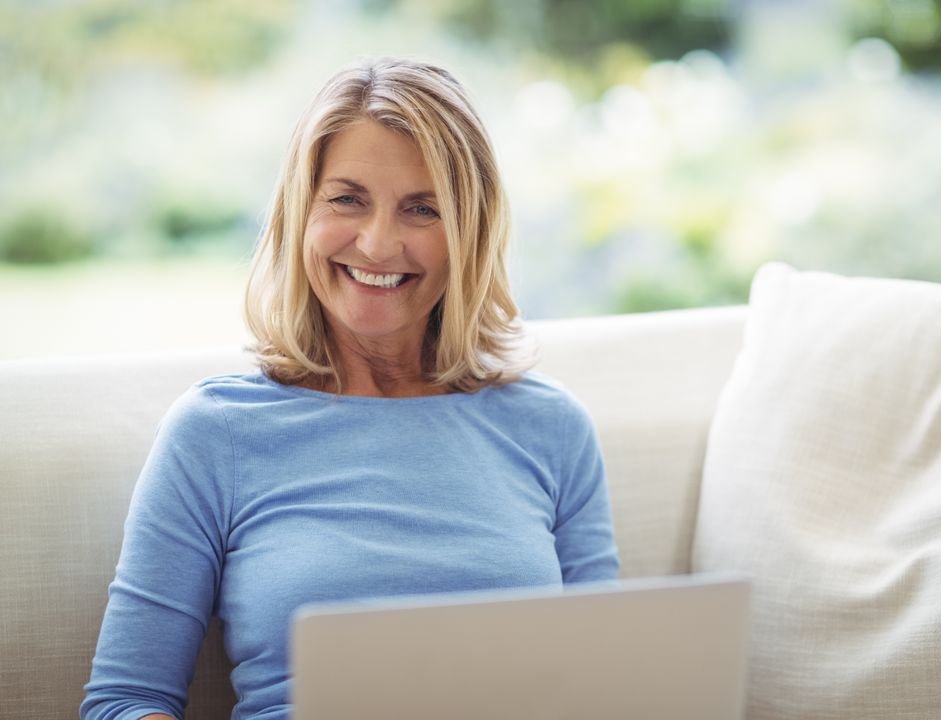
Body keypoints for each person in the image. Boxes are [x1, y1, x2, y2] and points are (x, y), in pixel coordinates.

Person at [81, 56, 619, 720]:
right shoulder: (215, 431)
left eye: (423, 209)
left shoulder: (552, 428)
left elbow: (605, 686)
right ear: (300, 212)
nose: (377, 242)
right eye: (347, 199)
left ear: (468, 233)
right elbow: (124, 702)